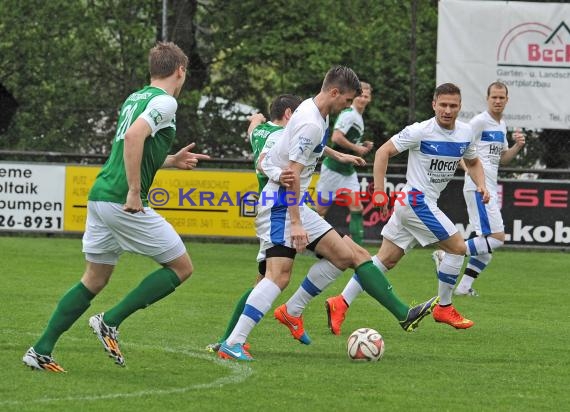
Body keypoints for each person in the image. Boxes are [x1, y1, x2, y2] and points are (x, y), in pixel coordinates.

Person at [217, 66, 438, 361]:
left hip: (290, 201)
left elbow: (307, 149)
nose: (348, 106)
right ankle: (234, 342)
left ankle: (291, 312)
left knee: (345, 256)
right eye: (347, 100)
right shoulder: (310, 121)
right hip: (281, 203)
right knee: (277, 277)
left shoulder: (316, 112)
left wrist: (338, 154)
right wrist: (296, 223)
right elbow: (292, 175)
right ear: (334, 92)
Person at [22, 42, 210, 372]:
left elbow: (133, 145)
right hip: (121, 199)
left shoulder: (136, 98)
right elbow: (136, 138)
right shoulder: (165, 101)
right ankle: (109, 321)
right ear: (180, 70)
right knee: (181, 268)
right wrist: (135, 192)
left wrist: (170, 160)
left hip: (101, 195)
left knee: (94, 279)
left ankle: (40, 350)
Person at [325, 82, 490, 334]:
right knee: (458, 248)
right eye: (442, 104)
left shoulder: (465, 133)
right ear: (433, 104)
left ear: (460, 107)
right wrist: (379, 193)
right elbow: (383, 152)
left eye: (453, 105)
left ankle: (340, 302)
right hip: (415, 202)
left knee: (384, 260)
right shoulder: (420, 131)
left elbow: (474, 162)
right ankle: (444, 307)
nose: (447, 110)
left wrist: (482, 185)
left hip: (416, 204)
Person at [205, 94, 302, 353]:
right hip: (276, 205)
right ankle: (233, 339)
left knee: (263, 281)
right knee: (269, 280)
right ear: (290, 114)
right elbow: (267, 162)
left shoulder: (259, 132)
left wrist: (255, 119)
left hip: (267, 205)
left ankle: (230, 339)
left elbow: (253, 128)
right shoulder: (282, 138)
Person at [432, 81, 526, 296]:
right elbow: (458, 149)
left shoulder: (501, 125)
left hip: (489, 186)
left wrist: (517, 147)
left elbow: (503, 159)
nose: (498, 101)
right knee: (496, 238)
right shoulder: (478, 122)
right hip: (478, 188)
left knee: (485, 247)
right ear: (487, 98)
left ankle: (464, 287)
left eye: (502, 97)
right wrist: (470, 173)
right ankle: (446, 256)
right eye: (494, 97)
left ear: (507, 100)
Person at [315, 82, 374, 245]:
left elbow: (347, 141)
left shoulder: (358, 117)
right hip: (333, 169)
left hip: (347, 171)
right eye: (360, 95)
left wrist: (361, 146)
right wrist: (357, 148)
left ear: (370, 99)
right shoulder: (349, 114)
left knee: (357, 209)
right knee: (320, 211)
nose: (362, 99)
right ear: (355, 96)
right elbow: (336, 137)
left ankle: (358, 249)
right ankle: (309, 243)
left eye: (366, 96)